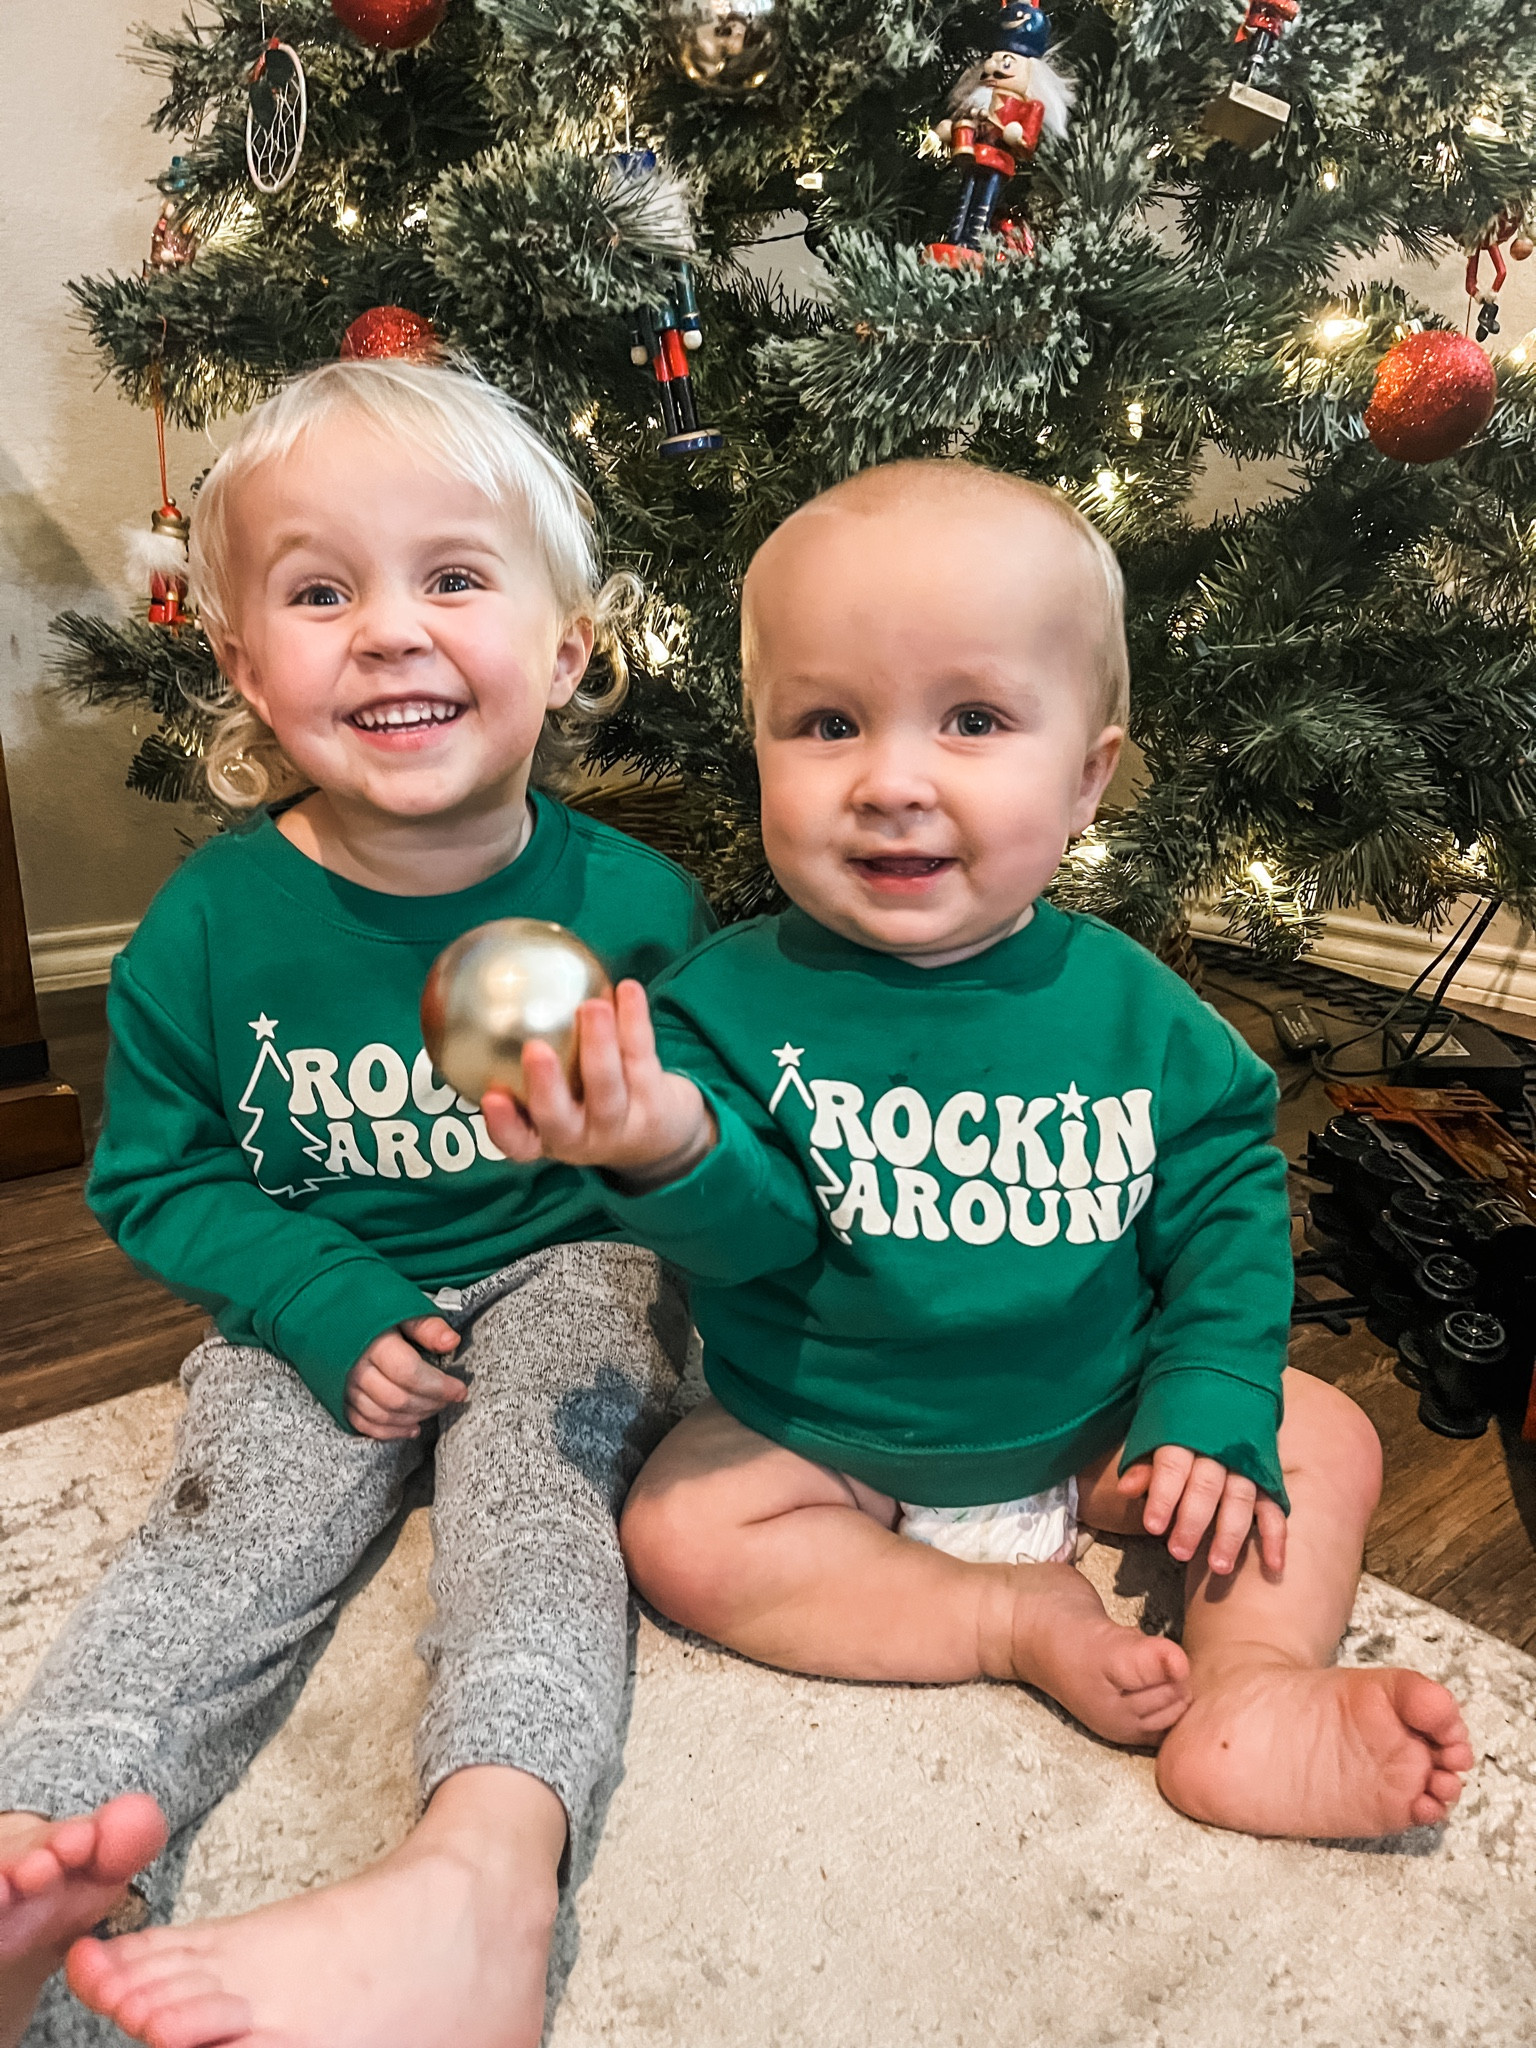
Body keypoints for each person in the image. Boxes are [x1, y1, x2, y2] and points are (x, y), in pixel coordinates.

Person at [482, 458, 1476, 1842]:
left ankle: (1257, 1691)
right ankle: (1003, 1622)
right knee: (678, 1529)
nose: (893, 781)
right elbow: (753, 1235)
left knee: (1320, 1435)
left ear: (1086, 779)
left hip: (1098, 1422)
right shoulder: (724, 1001)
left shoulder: (1138, 1010)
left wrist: (1205, 1400)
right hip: (832, 1436)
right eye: (826, 722)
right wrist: (666, 1148)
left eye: (973, 720)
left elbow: (1228, 1203)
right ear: (758, 747)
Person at [0, 358, 711, 2048]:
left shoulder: (638, 904)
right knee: (222, 1525)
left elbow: (706, 1175)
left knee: (539, 1506)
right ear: (247, 663)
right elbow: (159, 1175)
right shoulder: (208, 926)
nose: (388, 630)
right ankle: (45, 1840)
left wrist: (648, 1138)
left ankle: (483, 1873)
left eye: (454, 578)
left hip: (567, 1270)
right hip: (311, 1287)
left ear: (566, 646)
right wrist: (315, 1304)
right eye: (321, 592)